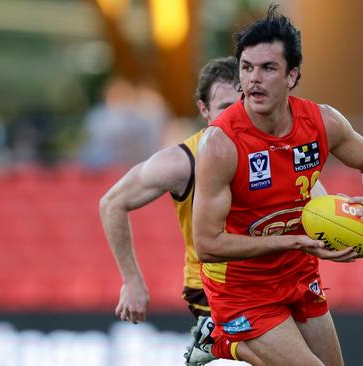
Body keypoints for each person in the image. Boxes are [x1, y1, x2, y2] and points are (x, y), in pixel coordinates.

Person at [192, 5, 363, 366]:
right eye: (247, 68)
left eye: (268, 68)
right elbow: (206, 244)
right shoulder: (220, 144)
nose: (254, 79)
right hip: (242, 290)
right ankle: (223, 340)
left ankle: (229, 345)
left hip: (299, 275)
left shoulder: (322, 122)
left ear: (292, 76)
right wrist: (295, 241)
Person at [100, 57, 300, 365]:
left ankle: (215, 339)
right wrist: (132, 280)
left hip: (271, 278)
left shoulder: (275, 148)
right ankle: (216, 338)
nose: (237, 114)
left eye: (243, 102)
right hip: (214, 287)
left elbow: (312, 198)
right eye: (225, 106)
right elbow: (112, 203)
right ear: (204, 111)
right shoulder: (182, 162)